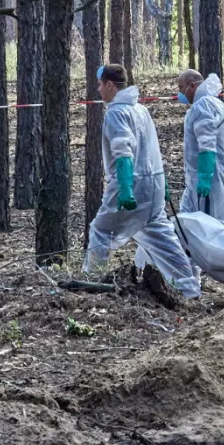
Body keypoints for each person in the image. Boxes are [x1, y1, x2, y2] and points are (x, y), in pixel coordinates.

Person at [85, 64, 201, 298]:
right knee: (161, 237)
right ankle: (190, 288)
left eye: (100, 85)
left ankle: (91, 281)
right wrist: (163, 184)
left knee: (100, 229)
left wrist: (126, 188)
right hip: (153, 186)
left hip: (132, 184)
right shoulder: (141, 110)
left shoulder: (116, 113)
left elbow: (123, 151)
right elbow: (153, 150)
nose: (98, 90)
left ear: (109, 85)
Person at [176, 69, 224, 243]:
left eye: (181, 87)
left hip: (214, 174)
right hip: (200, 176)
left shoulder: (203, 105)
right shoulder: (209, 103)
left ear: (192, 86)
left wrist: (205, 176)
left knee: (220, 226)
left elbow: (207, 144)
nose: (179, 93)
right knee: (187, 224)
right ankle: (189, 269)